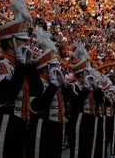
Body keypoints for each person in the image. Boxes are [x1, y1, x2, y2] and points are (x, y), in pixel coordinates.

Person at [0, 0, 35, 158]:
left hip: (20, 126)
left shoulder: (19, 66)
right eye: (21, 41)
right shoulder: (1, 65)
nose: (25, 44)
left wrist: (30, 67)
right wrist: (21, 69)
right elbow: (4, 96)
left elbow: (36, 91)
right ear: (12, 42)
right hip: (4, 125)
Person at [26, 28, 65, 158]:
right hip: (41, 129)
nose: (56, 69)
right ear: (45, 68)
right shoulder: (38, 82)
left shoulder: (51, 83)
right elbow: (35, 106)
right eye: (52, 66)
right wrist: (52, 87)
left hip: (53, 129)